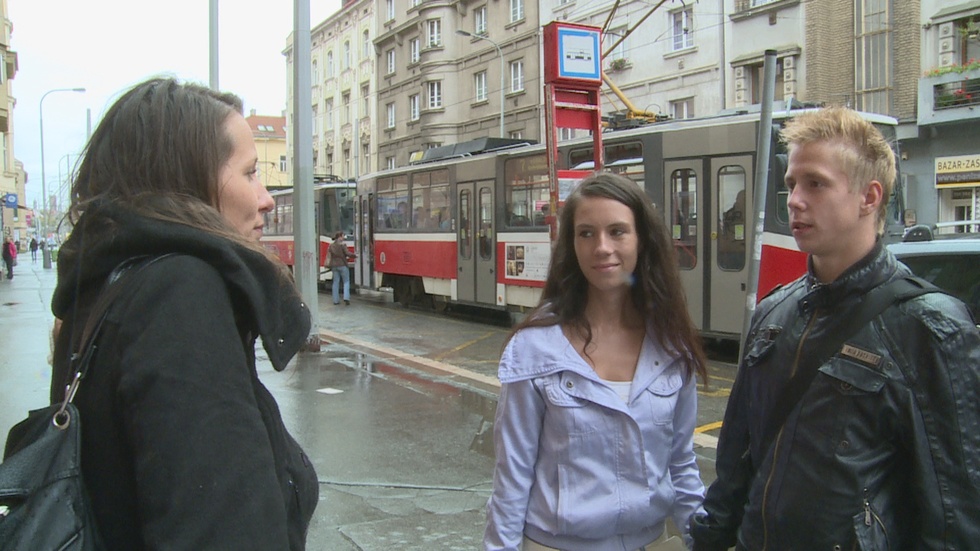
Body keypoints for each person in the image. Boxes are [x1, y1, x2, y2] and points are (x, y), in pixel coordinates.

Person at [690, 107, 980, 550]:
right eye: (791, 184)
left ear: (870, 197)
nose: (794, 200)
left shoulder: (930, 326)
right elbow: (734, 466)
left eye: (816, 183)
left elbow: (954, 509)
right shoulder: (774, 313)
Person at [48, 78, 318, 549]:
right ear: (190, 184)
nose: (267, 198)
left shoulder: (110, 286)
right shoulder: (179, 296)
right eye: (251, 173)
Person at [484, 172, 709, 551]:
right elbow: (512, 477)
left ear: (642, 241)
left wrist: (704, 539)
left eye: (617, 231)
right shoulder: (535, 349)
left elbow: (681, 465)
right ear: (571, 245)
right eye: (586, 233)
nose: (601, 247)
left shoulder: (672, 346)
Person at [327, 230, 355, 305]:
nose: (344, 237)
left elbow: (329, 255)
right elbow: (347, 253)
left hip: (334, 266)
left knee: (335, 282)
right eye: (343, 236)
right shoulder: (343, 245)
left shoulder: (331, 246)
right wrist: (354, 255)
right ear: (340, 237)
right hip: (342, 265)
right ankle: (346, 297)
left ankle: (335, 300)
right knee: (346, 281)